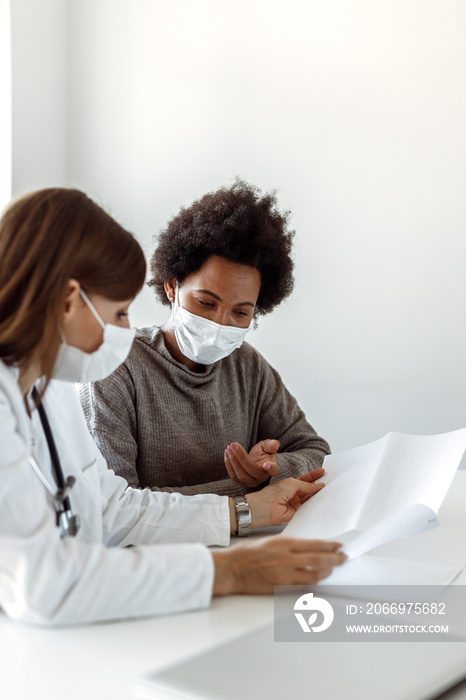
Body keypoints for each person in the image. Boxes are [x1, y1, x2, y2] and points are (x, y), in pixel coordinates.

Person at [0, 187, 346, 627]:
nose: (126, 330)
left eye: (241, 312)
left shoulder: (46, 389)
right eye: (120, 313)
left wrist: (249, 511)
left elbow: (112, 509)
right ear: (70, 301)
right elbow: (46, 585)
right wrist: (234, 570)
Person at [80, 180, 330, 497]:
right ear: (172, 287)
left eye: (240, 313)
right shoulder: (115, 366)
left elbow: (316, 452)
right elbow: (117, 508)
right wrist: (246, 496)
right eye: (206, 303)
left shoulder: (247, 368)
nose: (218, 324)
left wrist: (271, 470)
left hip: (251, 541)